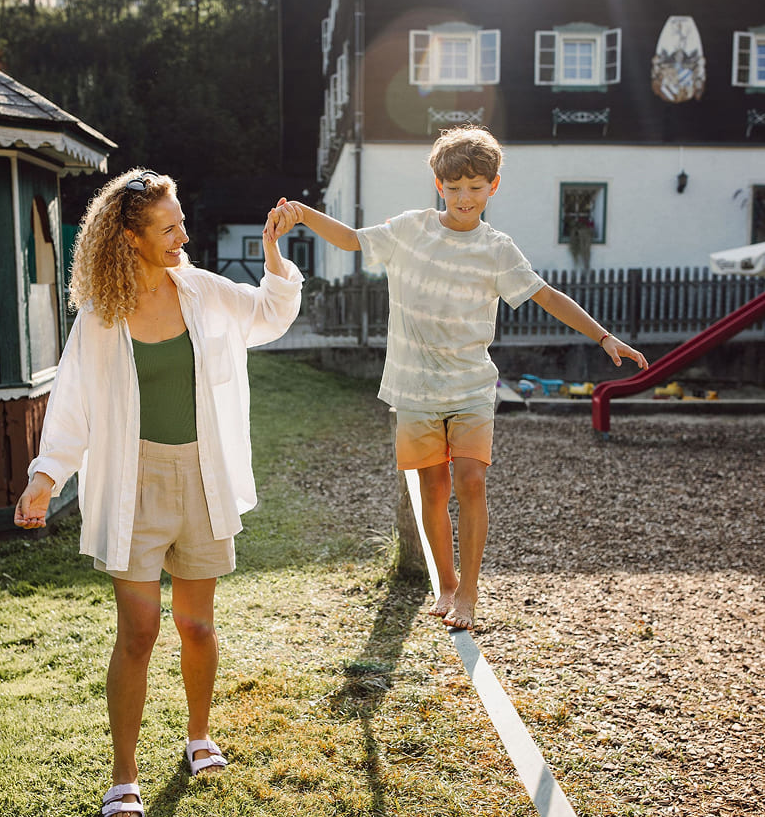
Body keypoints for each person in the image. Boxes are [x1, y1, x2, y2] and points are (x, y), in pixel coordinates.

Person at [265, 127, 647, 632]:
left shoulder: (497, 249)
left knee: (472, 481)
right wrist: (303, 214)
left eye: (475, 186)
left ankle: (468, 593)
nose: (465, 197)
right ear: (439, 185)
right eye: (455, 186)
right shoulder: (410, 229)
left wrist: (604, 338)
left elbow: (547, 295)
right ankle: (445, 585)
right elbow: (354, 240)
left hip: (470, 387)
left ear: (493, 187)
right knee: (433, 492)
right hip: (416, 390)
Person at [15, 169, 302, 817]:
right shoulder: (100, 316)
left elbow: (269, 312)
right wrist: (45, 475)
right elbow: (73, 404)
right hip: (134, 486)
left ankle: (198, 734)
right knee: (138, 633)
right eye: (167, 227)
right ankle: (124, 774)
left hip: (201, 480)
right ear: (129, 237)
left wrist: (272, 250)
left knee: (196, 625)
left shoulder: (201, 290)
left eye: (180, 223)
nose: (182, 236)